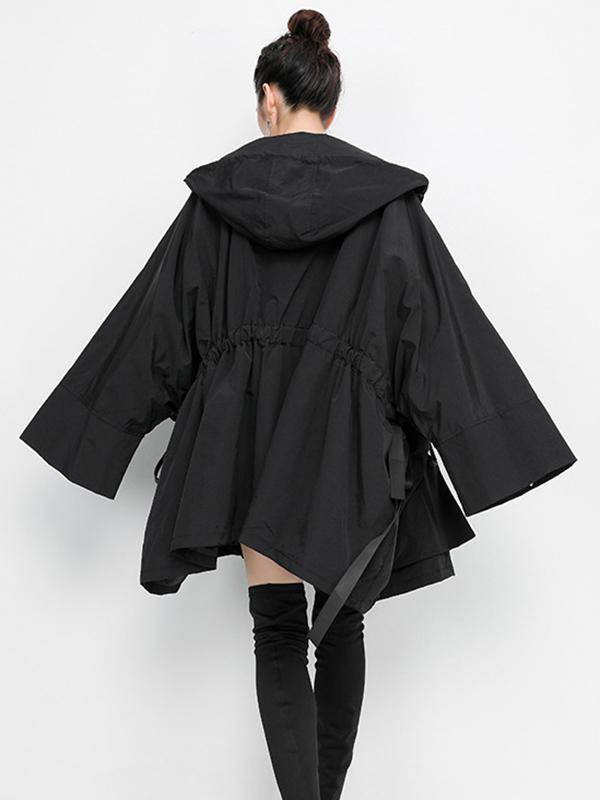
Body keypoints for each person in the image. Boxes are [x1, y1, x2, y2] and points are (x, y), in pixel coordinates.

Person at [19, 9, 577, 800]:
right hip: (354, 447)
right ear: (331, 108)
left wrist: (92, 429)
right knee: (340, 621)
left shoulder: (215, 205)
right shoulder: (388, 209)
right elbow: (439, 331)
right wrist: (493, 442)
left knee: (278, 631)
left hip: (248, 441)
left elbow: (155, 327)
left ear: (267, 99)